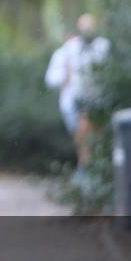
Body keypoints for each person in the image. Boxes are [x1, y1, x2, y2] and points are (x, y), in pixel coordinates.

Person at [44, 14, 110, 179]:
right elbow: (52, 78)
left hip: (98, 100)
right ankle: (86, 170)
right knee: (82, 137)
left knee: (94, 137)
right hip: (76, 101)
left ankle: (92, 171)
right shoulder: (69, 49)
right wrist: (64, 77)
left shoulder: (103, 47)